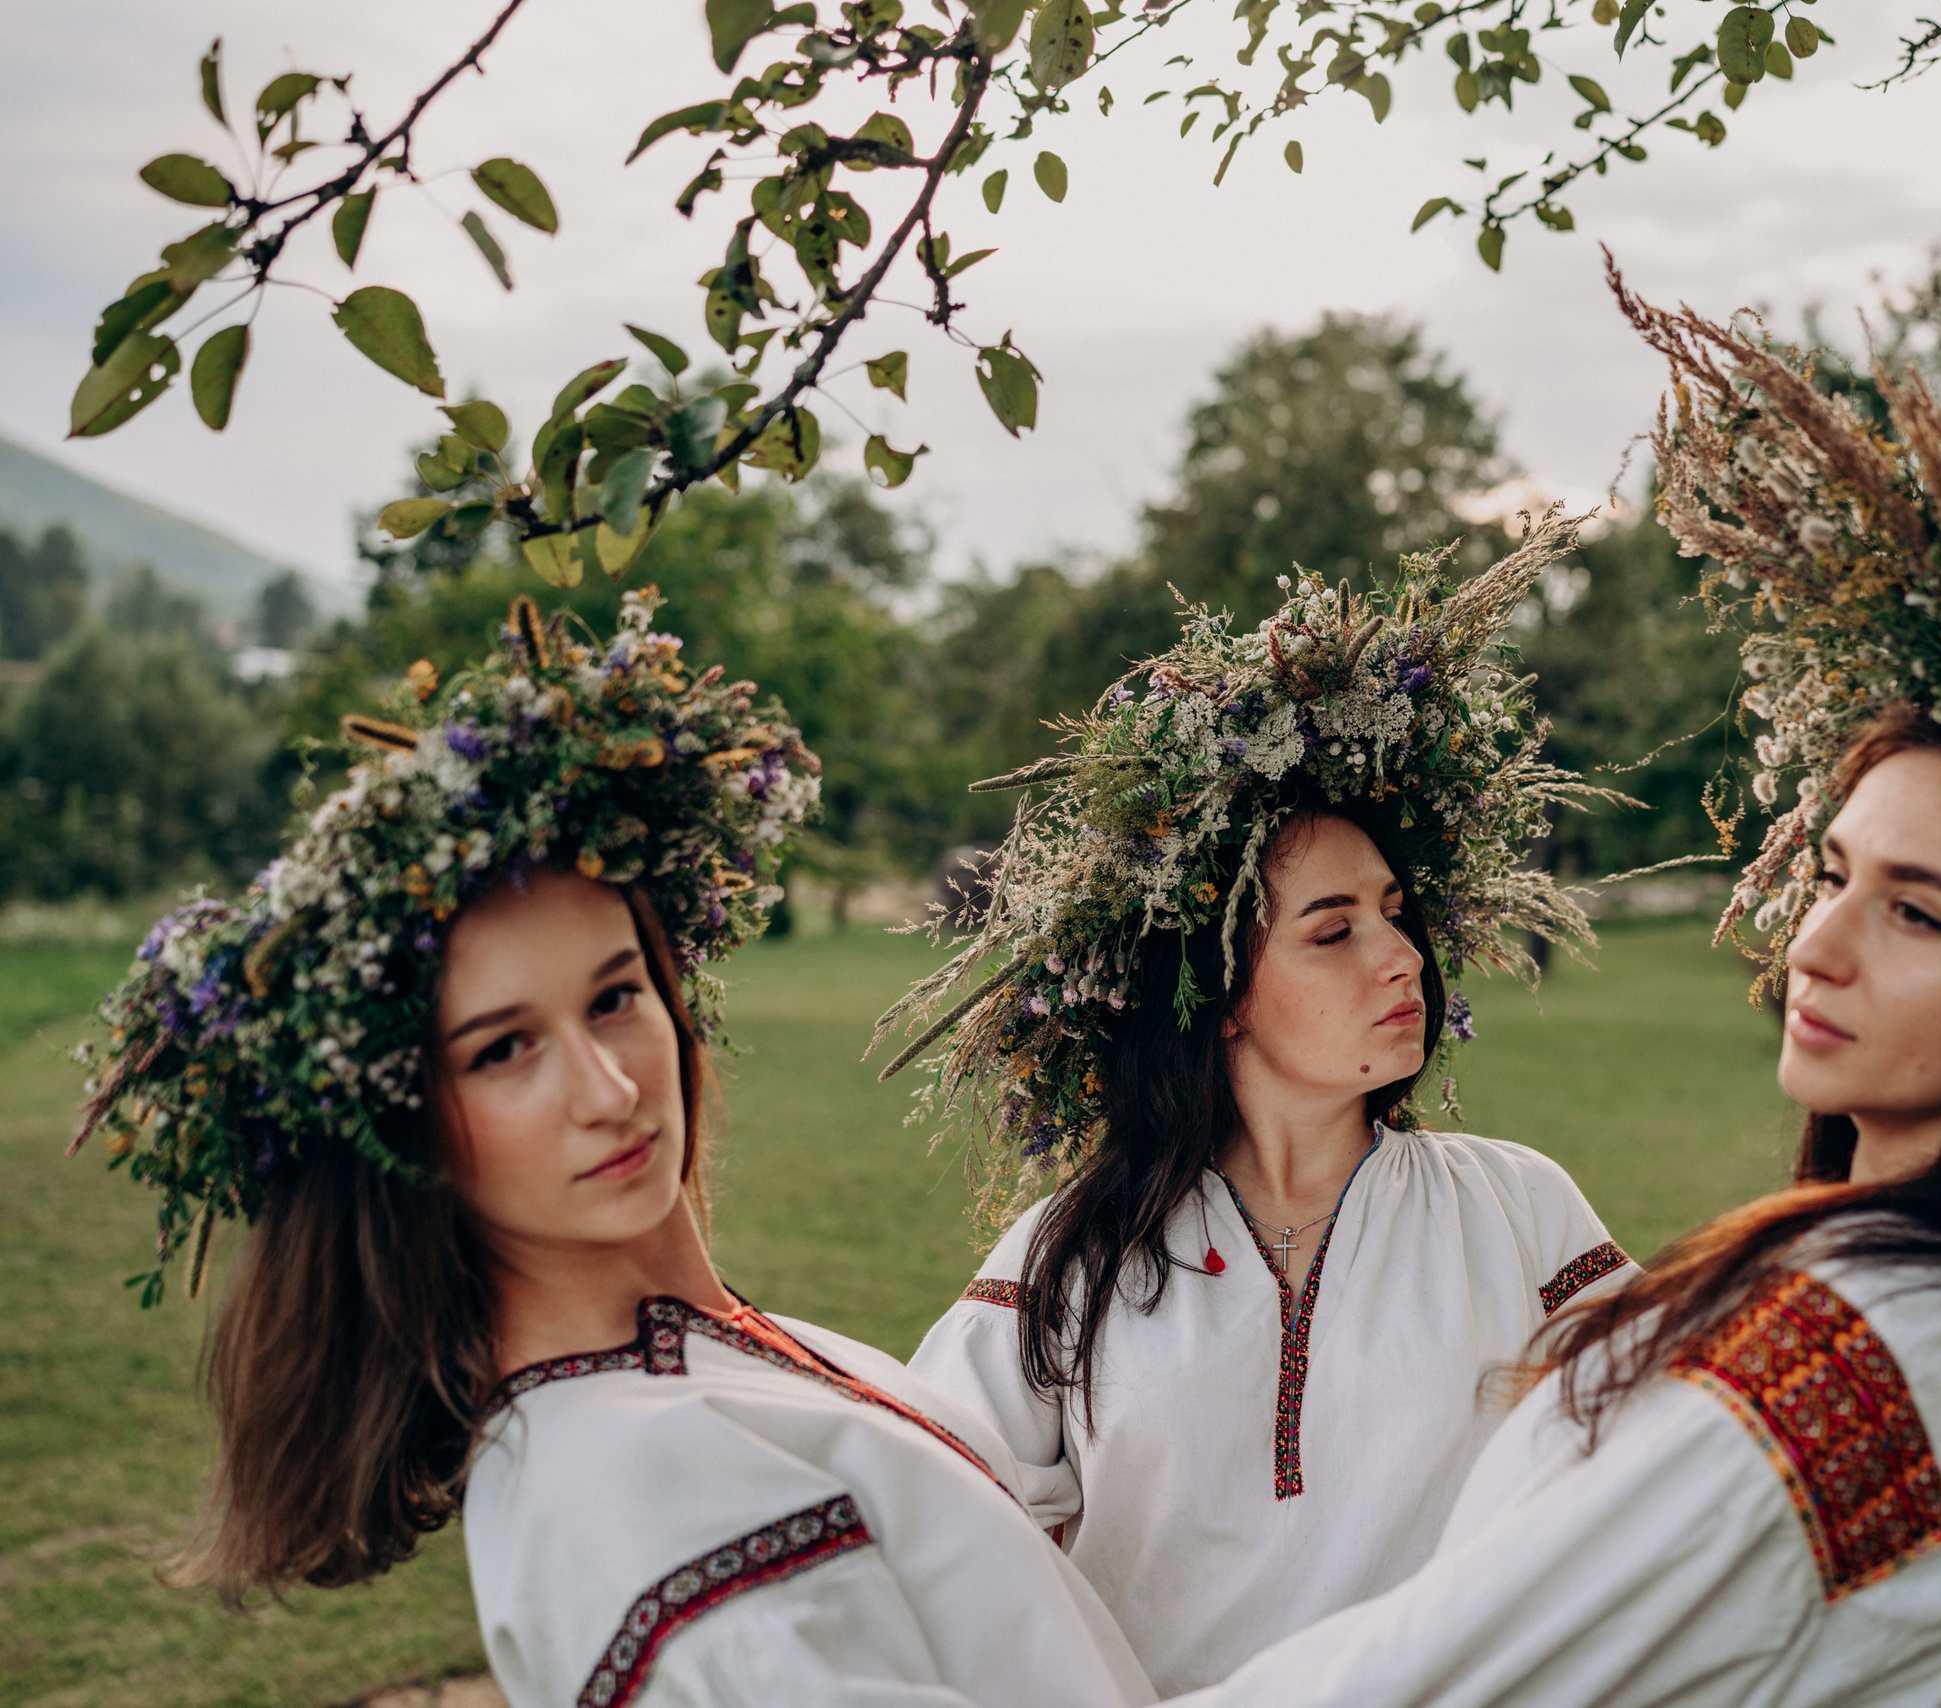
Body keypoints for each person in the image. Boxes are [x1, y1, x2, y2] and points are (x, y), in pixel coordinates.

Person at [1157, 284, 1941, 1708]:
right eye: (1834, 872)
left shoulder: (1859, 1356)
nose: (1817, 947)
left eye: (1918, 912)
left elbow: (1432, 1677)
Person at [74, 592, 1152, 1708]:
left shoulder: (706, 1353)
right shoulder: (627, 1486)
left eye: (615, 996)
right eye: (502, 1051)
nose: (610, 1085)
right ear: (405, 1127)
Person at [876, 518, 1640, 1694]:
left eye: (1394, 913)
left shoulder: (1519, 1212)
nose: (1400, 960)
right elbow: (919, 1528)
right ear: (1219, 993)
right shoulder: (1070, 1256)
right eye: (1332, 932)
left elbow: (1665, 1479)